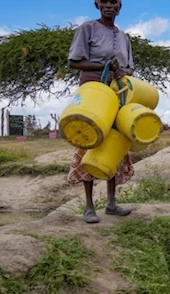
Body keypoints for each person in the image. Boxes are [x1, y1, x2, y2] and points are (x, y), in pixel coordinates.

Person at [67, 0, 134, 224]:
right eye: (104, 1)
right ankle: (88, 206)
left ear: (119, 6)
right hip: (94, 94)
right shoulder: (88, 28)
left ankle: (112, 203)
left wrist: (122, 70)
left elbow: (129, 67)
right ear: (97, 4)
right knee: (89, 141)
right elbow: (74, 61)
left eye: (113, 2)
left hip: (117, 94)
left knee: (114, 143)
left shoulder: (124, 37)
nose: (109, 5)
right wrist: (105, 65)